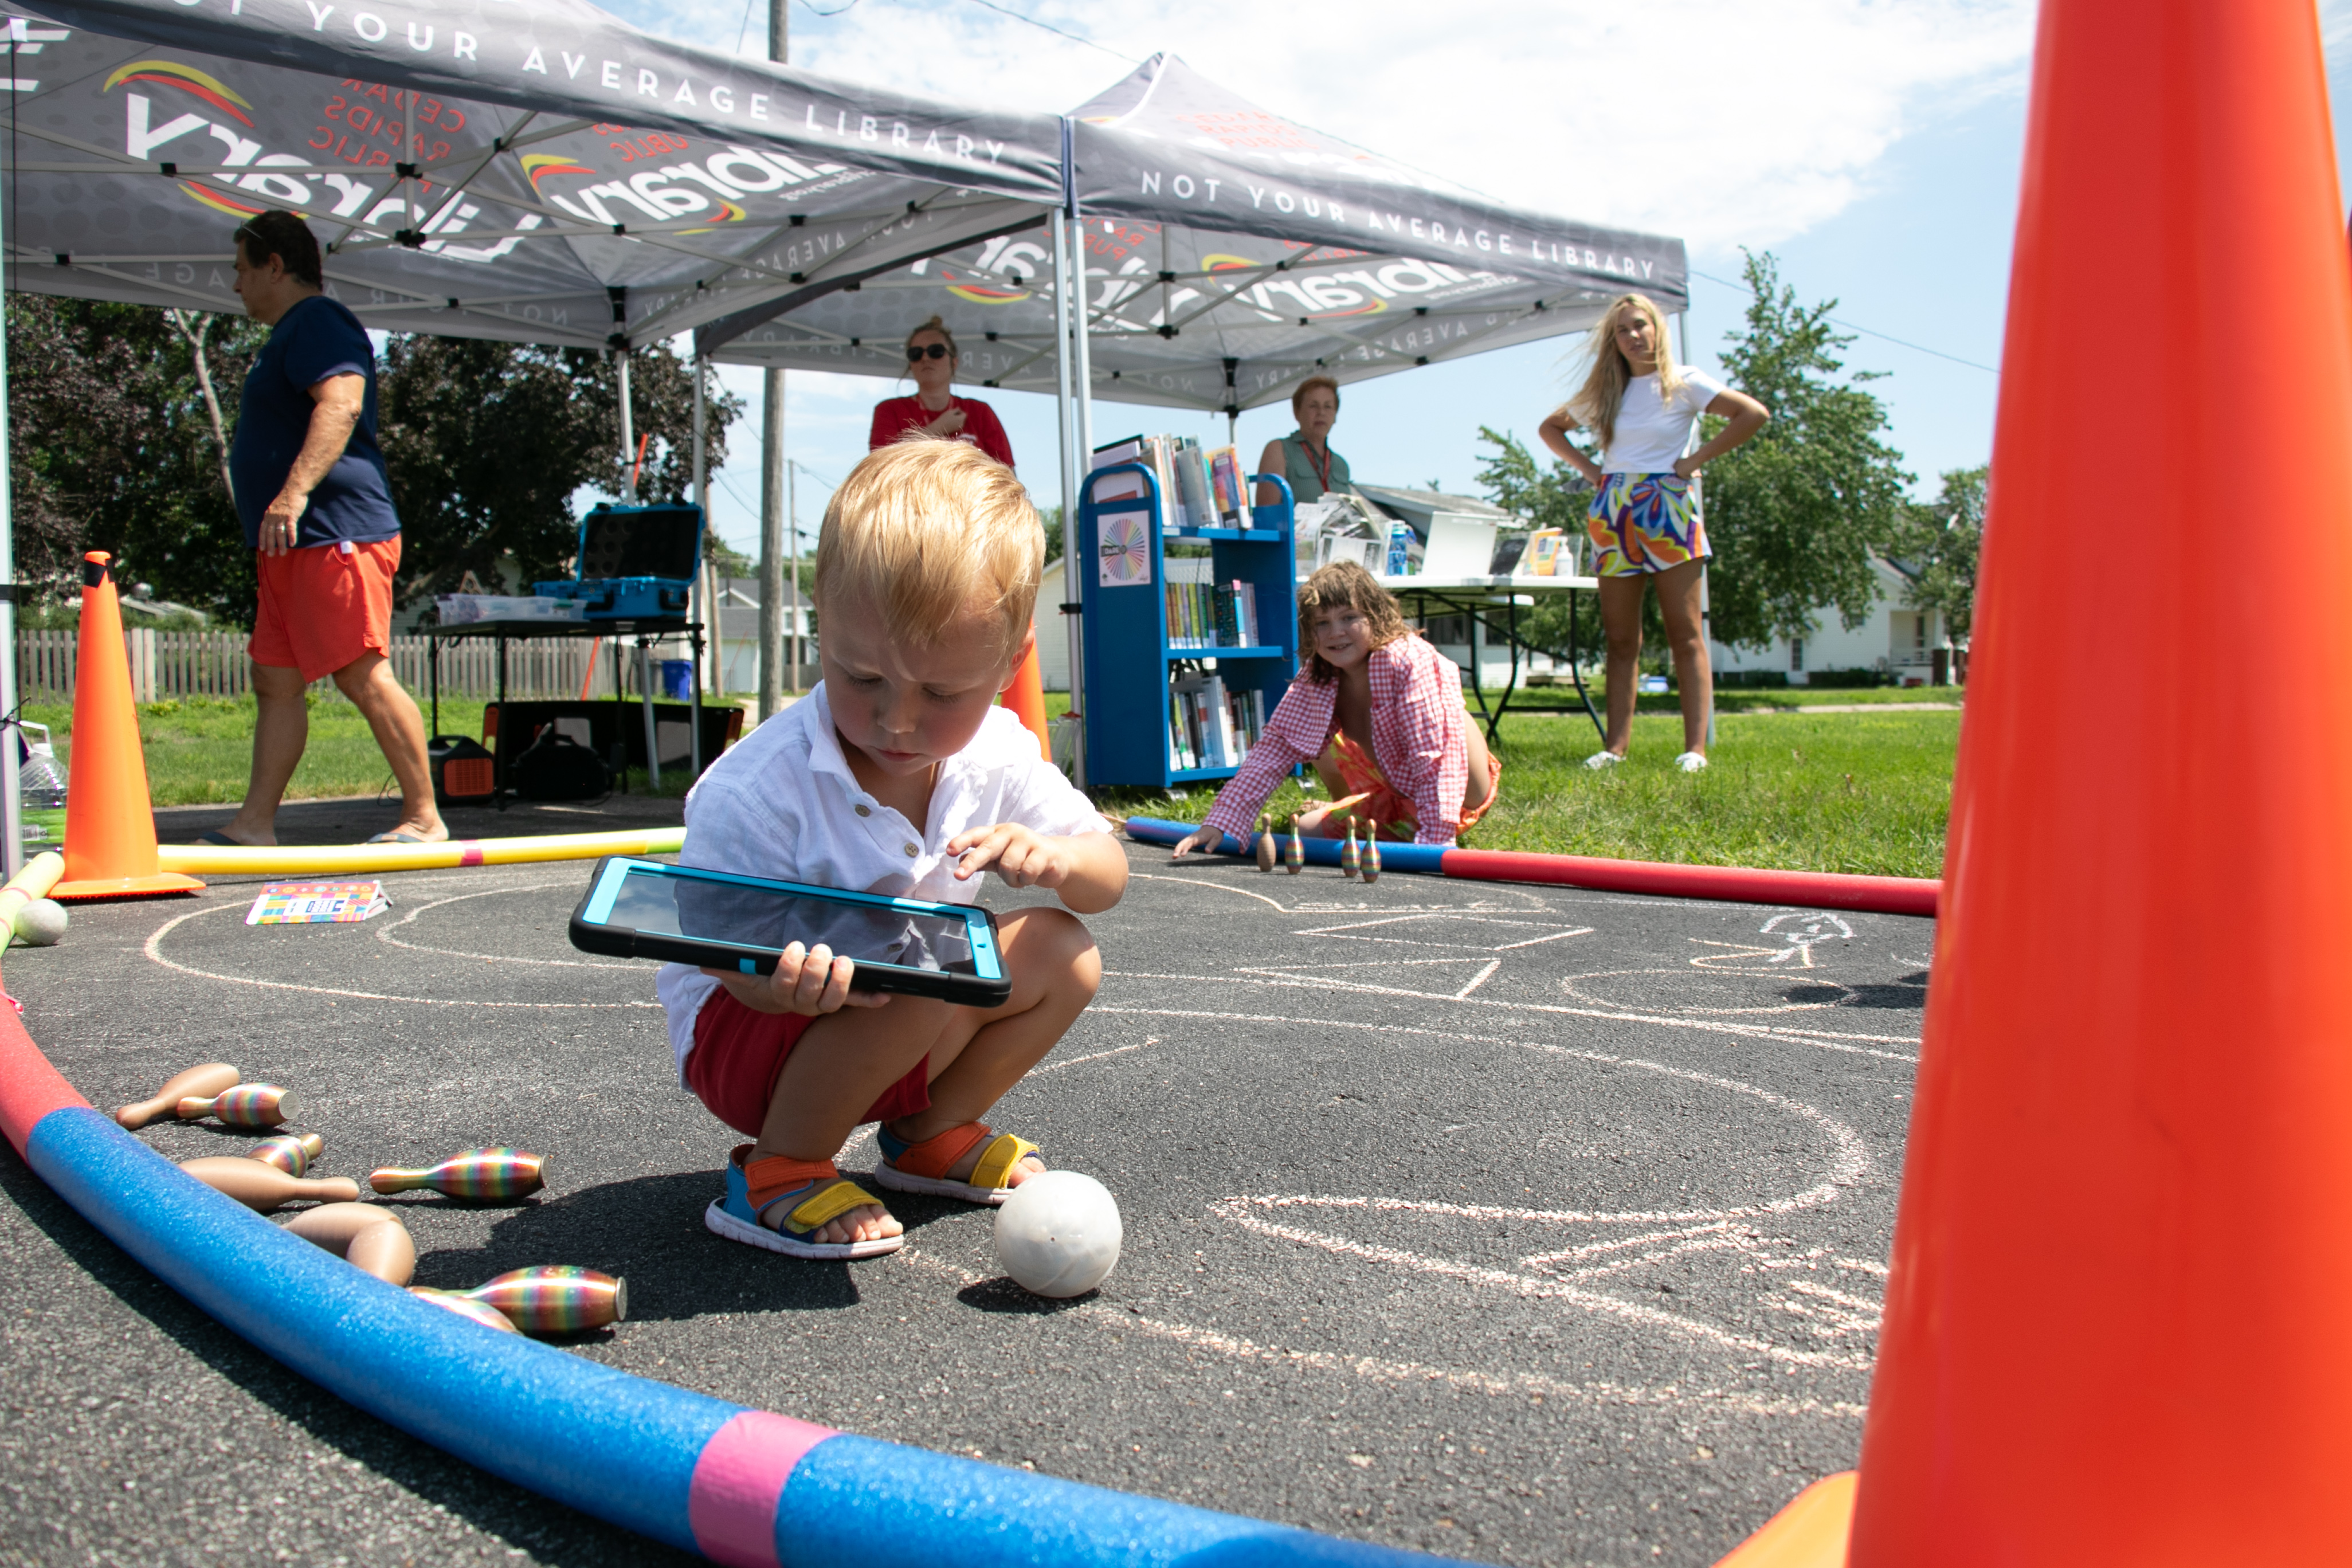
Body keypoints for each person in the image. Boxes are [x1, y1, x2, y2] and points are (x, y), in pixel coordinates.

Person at [656, 440, 1127, 1260]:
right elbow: (713, 951)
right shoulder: (758, 787)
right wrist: (774, 986)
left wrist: (1056, 859)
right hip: (748, 1038)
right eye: (860, 677)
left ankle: (926, 1135)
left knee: (1064, 951)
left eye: (942, 693)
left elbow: (1106, 876)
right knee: (931, 960)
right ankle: (780, 1168)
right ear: (821, 620)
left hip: (900, 1010)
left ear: (1012, 659)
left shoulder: (1000, 750)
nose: (897, 721)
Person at [206, 211, 444, 846]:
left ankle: (424, 816)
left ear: (275, 266)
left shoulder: (318, 321)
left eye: (241, 270)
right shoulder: (288, 334)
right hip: (288, 542)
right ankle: (255, 824)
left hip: (333, 531)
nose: (236, 286)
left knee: (360, 671)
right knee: (276, 681)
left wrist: (293, 493)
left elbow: (342, 402)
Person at [1538, 292, 1769, 773]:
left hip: (1668, 504)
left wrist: (1693, 462)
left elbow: (1753, 414)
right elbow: (1551, 428)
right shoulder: (1607, 389)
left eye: (1640, 325)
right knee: (1622, 638)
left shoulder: (1685, 382)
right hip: (1614, 509)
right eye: (1623, 330)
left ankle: (1695, 750)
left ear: (1657, 328)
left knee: (1685, 632)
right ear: (1614, 340)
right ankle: (1614, 748)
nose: (1633, 336)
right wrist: (1590, 470)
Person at [1169, 561, 1498, 855]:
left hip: (1457, 794)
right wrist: (1223, 822)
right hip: (1398, 789)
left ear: (1377, 617)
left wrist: (1436, 843)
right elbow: (1276, 747)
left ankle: (1426, 826)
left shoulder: (1409, 661)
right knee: (1308, 828)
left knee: (1430, 748)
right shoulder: (1320, 675)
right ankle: (1357, 806)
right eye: (1322, 623)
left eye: (1349, 618)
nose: (1335, 632)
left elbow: (1435, 759)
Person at [867, 316, 1014, 468]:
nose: (925, 358)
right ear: (911, 364)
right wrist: (939, 429)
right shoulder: (889, 411)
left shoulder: (980, 412)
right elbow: (881, 469)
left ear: (954, 362)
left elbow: (1007, 478)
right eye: (916, 353)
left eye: (936, 351)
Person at [1255, 375, 1350, 508]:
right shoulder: (1279, 450)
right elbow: (1266, 516)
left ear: (1335, 416)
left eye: (1328, 407)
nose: (1321, 412)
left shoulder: (1341, 465)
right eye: (1313, 406)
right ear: (1297, 412)